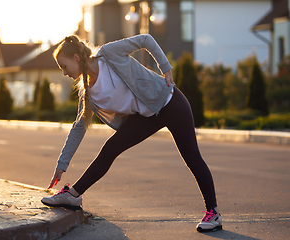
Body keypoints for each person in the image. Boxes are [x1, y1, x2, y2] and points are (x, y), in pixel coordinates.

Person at [41, 34, 222, 232]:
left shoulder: (108, 54)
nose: (64, 73)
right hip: (146, 115)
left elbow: (145, 39)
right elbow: (78, 127)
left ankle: (213, 213)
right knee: (111, 148)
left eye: (64, 66)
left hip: (169, 102)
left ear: (76, 58)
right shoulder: (88, 92)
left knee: (192, 158)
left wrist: (166, 68)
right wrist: (62, 164)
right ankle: (73, 195)